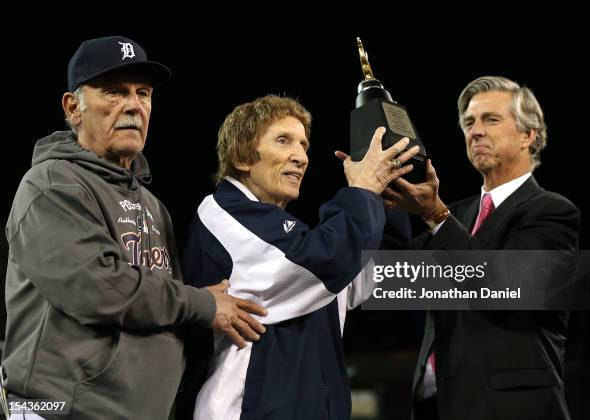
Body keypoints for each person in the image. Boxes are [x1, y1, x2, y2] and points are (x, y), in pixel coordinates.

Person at [1, 36, 266, 420]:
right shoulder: (51, 185)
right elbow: (98, 289)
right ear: (73, 107)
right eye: (114, 92)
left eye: (143, 93)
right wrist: (203, 303)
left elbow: (166, 306)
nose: (133, 105)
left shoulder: (152, 206)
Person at [178, 95, 419, 419]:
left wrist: (387, 196)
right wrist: (362, 188)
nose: (301, 157)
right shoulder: (222, 214)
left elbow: (365, 275)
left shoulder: (289, 241)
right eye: (283, 141)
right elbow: (328, 259)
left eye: (304, 145)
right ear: (242, 156)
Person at [383, 76, 580, 420]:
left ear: (527, 134)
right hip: (437, 407)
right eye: (469, 122)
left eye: (491, 119)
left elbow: (505, 287)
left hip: (512, 409)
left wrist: (434, 214)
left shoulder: (551, 212)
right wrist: (381, 189)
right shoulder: (455, 215)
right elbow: (393, 276)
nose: (475, 131)